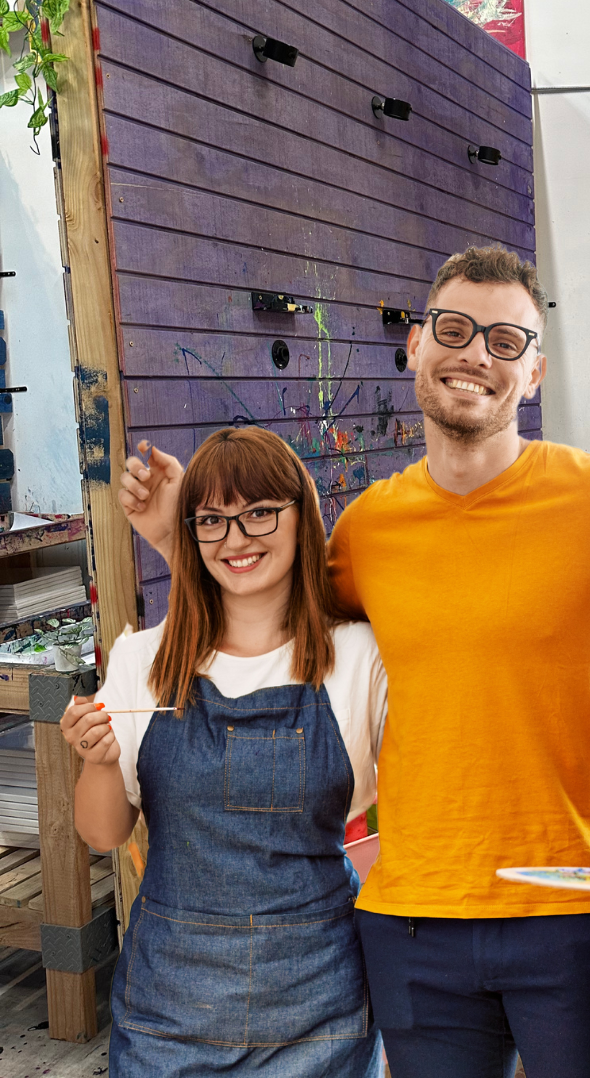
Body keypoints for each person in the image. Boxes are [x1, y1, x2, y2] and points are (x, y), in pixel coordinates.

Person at [117, 245, 590, 1078]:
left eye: (506, 341)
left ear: (533, 373)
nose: (476, 356)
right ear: (416, 347)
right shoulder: (368, 530)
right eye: (455, 330)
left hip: (575, 908)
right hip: (412, 917)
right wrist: (179, 539)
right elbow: (263, 619)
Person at [62, 427, 386, 1076]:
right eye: (212, 520)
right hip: (167, 1016)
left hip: (319, 1010)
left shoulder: (359, 655)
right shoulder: (143, 658)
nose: (237, 539)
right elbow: (102, 834)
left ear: (303, 516)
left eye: (260, 512)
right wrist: (97, 761)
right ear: (191, 533)